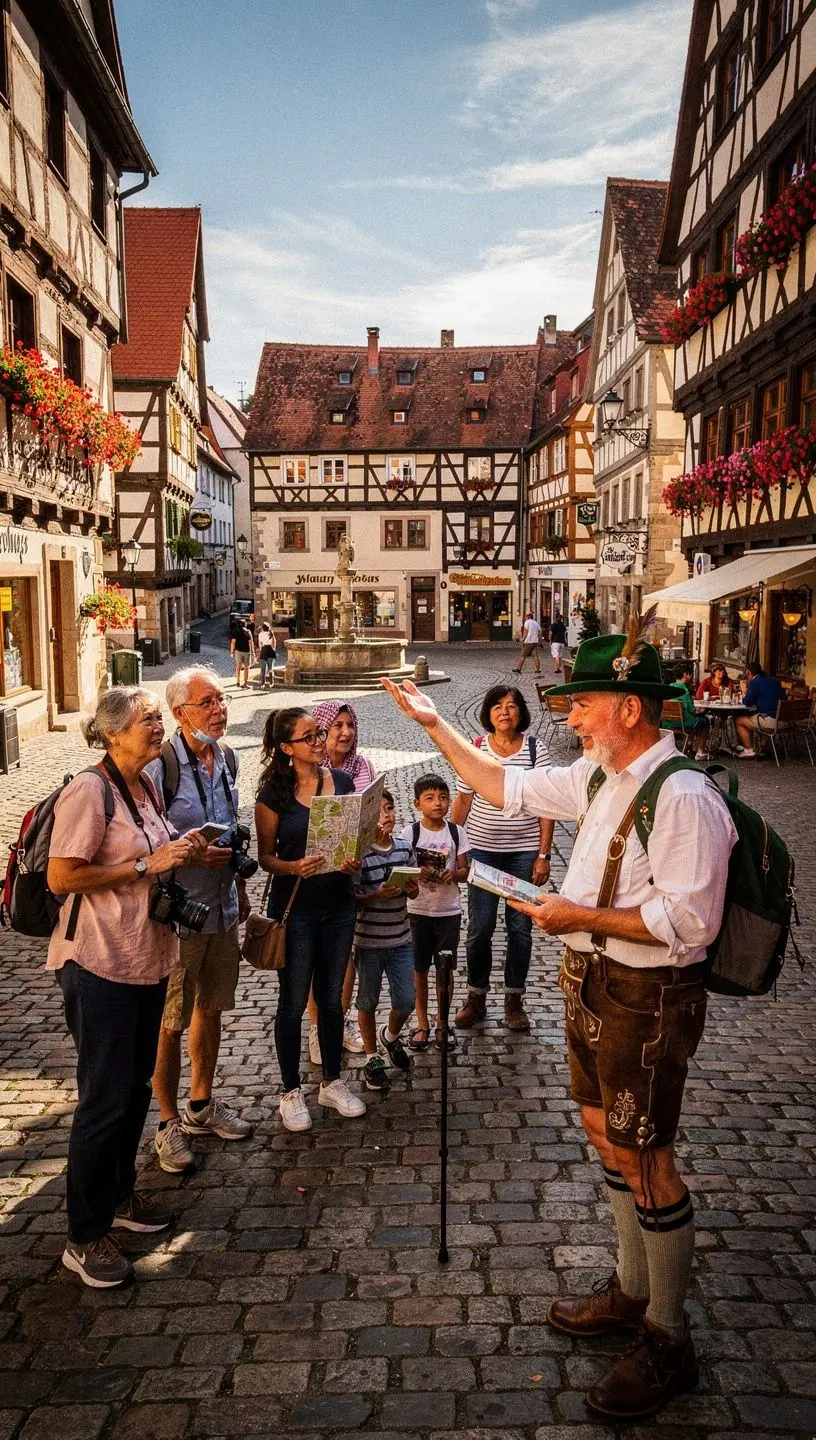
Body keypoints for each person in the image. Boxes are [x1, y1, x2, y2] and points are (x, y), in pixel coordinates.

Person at [382, 625, 735, 1421]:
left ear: (631, 710)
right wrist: (434, 728)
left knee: (646, 1157)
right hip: (589, 981)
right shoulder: (603, 776)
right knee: (604, 1132)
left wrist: (578, 912)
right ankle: (631, 1288)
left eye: (583, 706)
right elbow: (507, 788)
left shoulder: (681, 795)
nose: (569, 720)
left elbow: (691, 920)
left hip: (645, 996)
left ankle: (668, 1337)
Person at [46, 687, 208, 1288]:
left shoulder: (142, 786)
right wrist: (147, 866)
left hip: (143, 956)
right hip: (98, 962)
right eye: (147, 719)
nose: (158, 726)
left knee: (134, 1087)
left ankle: (118, 1199)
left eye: (158, 718)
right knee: (103, 1100)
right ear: (111, 733)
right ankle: (84, 1236)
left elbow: (155, 854)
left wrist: (190, 853)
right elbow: (63, 874)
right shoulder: (90, 790)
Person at [147, 666, 253, 1176]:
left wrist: (238, 884)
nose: (219, 709)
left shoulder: (228, 758)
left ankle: (201, 1104)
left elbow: (230, 829)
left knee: (209, 1009)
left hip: (221, 909)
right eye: (207, 702)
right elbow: (145, 845)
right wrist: (190, 855)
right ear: (179, 713)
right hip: (178, 917)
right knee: (170, 1021)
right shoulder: (160, 767)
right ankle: (167, 1122)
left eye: (222, 700)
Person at [255, 707, 366, 1132]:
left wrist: (353, 858)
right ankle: (289, 1090)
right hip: (296, 909)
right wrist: (291, 866)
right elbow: (265, 857)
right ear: (287, 748)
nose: (320, 741)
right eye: (310, 736)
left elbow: (352, 838)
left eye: (319, 733)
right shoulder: (273, 795)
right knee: (294, 1001)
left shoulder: (342, 782)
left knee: (333, 998)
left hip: (338, 903)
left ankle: (332, 1081)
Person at [451, 685, 553, 1032]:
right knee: (479, 928)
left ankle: (514, 1000)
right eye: (497, 706)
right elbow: (463, 802)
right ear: (488, 714)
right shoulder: (475, 750)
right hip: (481, 851)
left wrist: (542, 854)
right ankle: (476, 997)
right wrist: (451, 847)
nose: (504, 711)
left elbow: (546, 807)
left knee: (520, 929)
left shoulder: (537, 751)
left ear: (521, 712)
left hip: (523, 854)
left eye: (511, 706)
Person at [305, 699, 377, 1063]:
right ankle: (317, 1029)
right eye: (338, 726)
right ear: (321, 731)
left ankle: (340, 1021)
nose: (346, 732)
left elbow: (372, 810)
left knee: (345, 954)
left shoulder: (362, 765)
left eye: (350, 725)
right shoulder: (306, 768)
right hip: (314, 875)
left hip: (351, 873)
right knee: (316, 956)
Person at [399, 773, 469, 1052]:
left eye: (442, 797)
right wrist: (420, 871)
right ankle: (422, 1023)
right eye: (430, 798)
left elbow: (464, 872)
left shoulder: (456, 833)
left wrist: (453, 873)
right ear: (418, 803)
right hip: (417, 910)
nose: (437, 803)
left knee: (445, 969)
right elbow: (403, 871)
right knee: (419, 969)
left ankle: (442, 1021)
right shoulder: (410, 834)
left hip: (448, 910)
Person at [354, 789, 418, 1091]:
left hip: (401, 937)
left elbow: (415, 892)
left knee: (406, 999)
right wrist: (375, 895)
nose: (386, 815)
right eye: (379, 811)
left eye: (390, 808)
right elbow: (351, 900)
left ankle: (390, 1036)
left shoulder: (405, 848)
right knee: (367, 1000)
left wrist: (412, 887)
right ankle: (371, 1056)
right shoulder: (360, 854)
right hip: (369, 941)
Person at [734, 662, 786, 758]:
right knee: (756, 715)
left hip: (772, 721)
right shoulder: (775, 681)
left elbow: (747, 702)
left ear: (749, 673)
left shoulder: (755, 682)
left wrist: (744, 690)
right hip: (785, 720)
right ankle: (764, 747)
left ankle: (748, 750)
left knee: (739, 720)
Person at [661, 663, 710, 762]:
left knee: (694, 719)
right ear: (685, 674)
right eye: (690, 674)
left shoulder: (668, 688)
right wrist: (699, 710)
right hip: (684, 723)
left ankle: (689, 744)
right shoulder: (684, 690)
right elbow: (691, 710)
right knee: (705, 721)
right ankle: (701, 751)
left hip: (667, 723)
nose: (691, 676)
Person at [512, 610, 542, 674]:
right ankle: (538, 669)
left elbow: (526, 632)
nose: (525, 617)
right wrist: (539, 641)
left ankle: (518, 669)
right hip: (535, 641)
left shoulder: (527, 622)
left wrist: (522, 639)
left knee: (523, 655)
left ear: (528, 617)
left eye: (526, 616)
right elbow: (539, 633)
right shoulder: (536, 623)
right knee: (535, 656)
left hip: (528, 641)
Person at [230, 619, 254, 688]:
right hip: (246, 651)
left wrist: (231, 652)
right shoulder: (248, 631)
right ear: (245, 624)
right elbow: (251, 642)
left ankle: (237, 682)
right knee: (246, 668)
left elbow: (233, 642)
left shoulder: (235, 631)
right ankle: (245, 684)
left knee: (238, 667)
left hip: (238, 651)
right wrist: (253, 652)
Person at [257, 621, 277, 688]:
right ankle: (271, 682)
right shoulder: (271, 633)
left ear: (262, 628)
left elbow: (260, 644)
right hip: (270, 651)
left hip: (264, 650)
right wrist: (273, 650)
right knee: (270, 668)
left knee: (263, 669)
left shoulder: (260, 634)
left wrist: (261, 649)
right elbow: (273, 644)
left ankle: (263, 683)